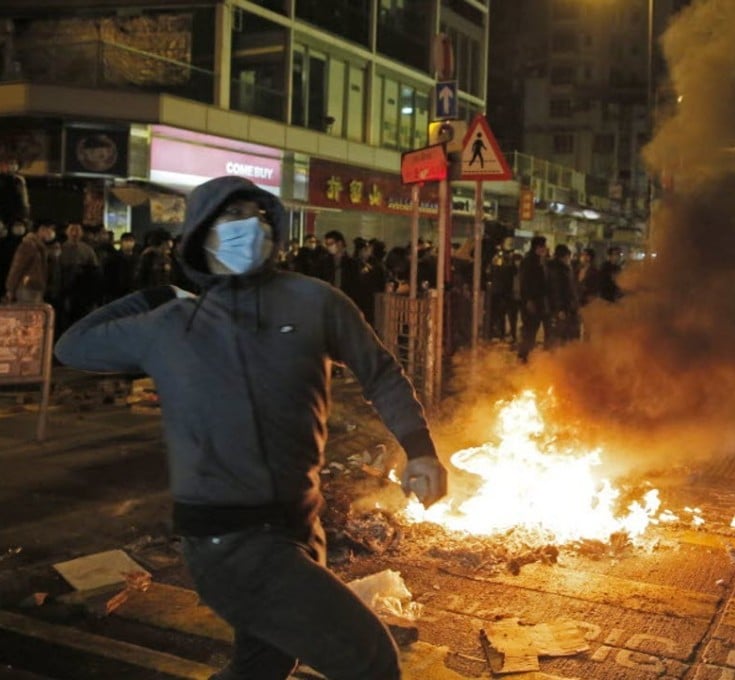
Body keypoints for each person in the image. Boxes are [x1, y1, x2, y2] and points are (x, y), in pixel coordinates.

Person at [54, 176, 448, 680]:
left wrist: (419, 450)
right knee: (368, 659)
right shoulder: (173, 323)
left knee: (264, 663)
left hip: (301, 527)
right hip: (228, 541)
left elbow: (379, 372)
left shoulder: (315, 302)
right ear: (201, 235)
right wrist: (152, 295)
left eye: (256, 215)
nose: (248, 227)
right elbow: (73, 345)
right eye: (231, 217)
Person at [4, 219, 56, 303]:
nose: (52, 232)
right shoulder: (28, 245)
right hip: (27, 288)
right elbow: (17, 267)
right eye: (50, 229)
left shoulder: (39, 247)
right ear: (42, 229)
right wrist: (10, 288)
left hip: (35, 288)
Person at [517, 235, 549, 363]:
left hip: (538, 301)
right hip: (531, 302)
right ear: (538, 247)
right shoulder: (529, 261)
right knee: (529, 330)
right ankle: (523, 357)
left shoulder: (539, 260)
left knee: (532, 330)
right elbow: (525, 282)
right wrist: (529, 300)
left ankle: (526, 356)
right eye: (543, 246)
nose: (545, 249)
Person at [546, 243, 580, 347]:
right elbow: (557, 290)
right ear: (565, 256)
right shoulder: (558, 269)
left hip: (563, 307)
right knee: (561, 335)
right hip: (562, 308)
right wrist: (560, 308)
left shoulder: (559, 268)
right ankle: (559, 358)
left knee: (562, 334)